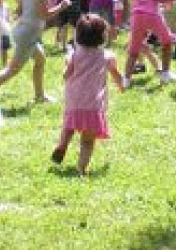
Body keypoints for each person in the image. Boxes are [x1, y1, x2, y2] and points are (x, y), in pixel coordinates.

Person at [0, 0, 72, 102]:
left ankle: (39, 96)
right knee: (12, 69)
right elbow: (44, 15)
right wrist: (62, 6)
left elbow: (20, 10)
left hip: (25, 32)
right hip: (28, 34)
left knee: (40, 60)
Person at [50, 14, 124, 176]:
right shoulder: (106, 56)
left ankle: (62, 145)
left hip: (74, 100)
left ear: (78, 36)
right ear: (102, 37)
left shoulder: (74, 55)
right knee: (88, 141)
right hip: (93, 104)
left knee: (69, 126)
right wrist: (121, 85)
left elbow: (65, 75)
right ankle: (81, 169)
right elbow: (116, 75)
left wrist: (68, 65)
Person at [124, 0, 176, 87]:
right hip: (152, 15)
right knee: (167, 42)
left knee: (133, 50)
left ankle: (126, 80)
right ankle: (165, 73)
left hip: (137, 16)